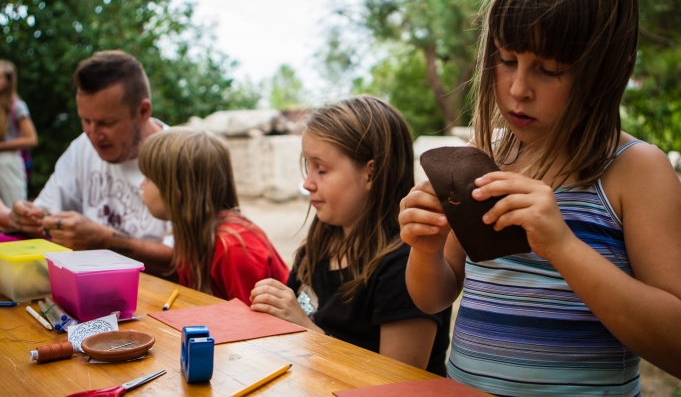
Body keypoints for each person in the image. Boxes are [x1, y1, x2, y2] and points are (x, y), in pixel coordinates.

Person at [400, 0, 681, 395]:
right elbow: (435, 296)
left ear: (609, 72)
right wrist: (425, 251)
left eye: (549, 69)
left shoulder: (636, 172)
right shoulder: (486, 156)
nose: (518, 88)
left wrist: (563, 246)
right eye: (506, 60)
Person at [250, 96, 452, 376]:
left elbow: (397, 382)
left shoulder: (405, 265)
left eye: (321, 169)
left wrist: (306, 330)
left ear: (371, 173)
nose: (308, 183)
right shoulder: (318, 247)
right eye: (308, 167)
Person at [8, 51, 173, 276]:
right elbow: (45, 211)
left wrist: (103, 240)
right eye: (85, 120)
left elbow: (181, 259)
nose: (93, 134)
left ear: (143, 111)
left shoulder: (177, 159)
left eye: (107, 122)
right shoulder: (82, 147)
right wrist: (26, 216)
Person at [137, 127, 289, 305]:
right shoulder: (190, 233)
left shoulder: (233, 249)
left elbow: (255, 325)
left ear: (176, 193)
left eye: (148, 178)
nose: (141, 185)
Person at [0, 60, 37, 205]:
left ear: (9, 81)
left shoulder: (17, 106)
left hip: (9, 161)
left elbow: (31, 139)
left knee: (15, 207)